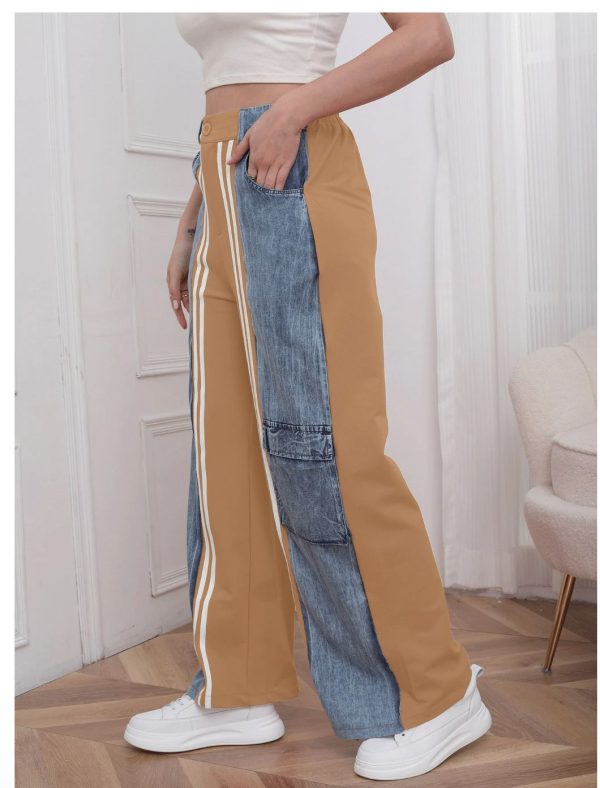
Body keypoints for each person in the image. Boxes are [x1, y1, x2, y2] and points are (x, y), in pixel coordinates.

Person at [124, 12, 492, 780]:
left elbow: (429, 36)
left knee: (325, 452)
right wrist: (194, 216)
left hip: (293, 163)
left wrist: (294, 110)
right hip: (222, 176)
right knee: (224, 456)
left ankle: (435, 693)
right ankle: (236, 688)